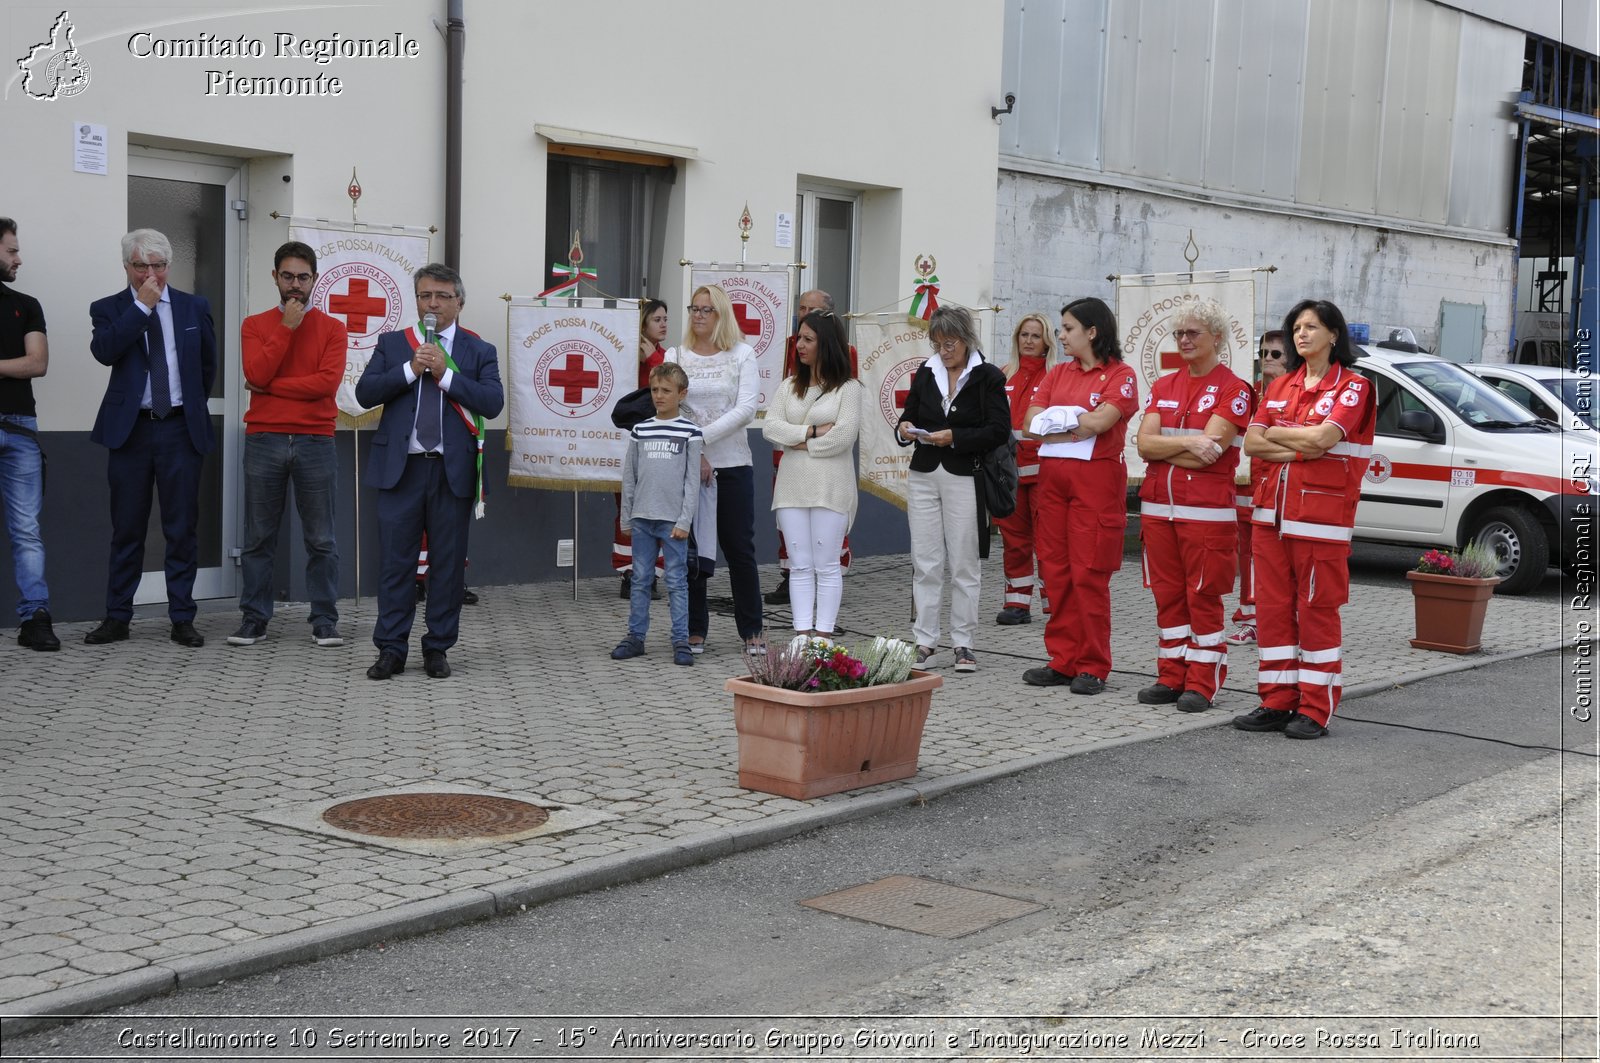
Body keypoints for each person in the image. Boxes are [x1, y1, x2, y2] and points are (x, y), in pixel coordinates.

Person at [355, 263, 503, 680]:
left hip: (451, 472)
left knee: (448, 565)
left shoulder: (478, 350)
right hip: (400, 471)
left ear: (459, 301)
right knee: (395, 564)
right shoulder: (393, 344)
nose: (432, 304)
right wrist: (411, 370)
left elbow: (492, 402)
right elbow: (365, 393)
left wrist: (444, 373)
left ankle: (437, 647)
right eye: (424, 296)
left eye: (441, 296)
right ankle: (391, 648)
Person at [1235, 299, 1374, 740]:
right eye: (1297, 327)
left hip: (1320, 518)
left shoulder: (1353, 386)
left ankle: (1315, 707)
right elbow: (1253, 445)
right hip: (1269, 515)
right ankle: (1277, 700)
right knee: (1273, 612)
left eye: (1312, 327)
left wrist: (1282, 436)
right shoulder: (1279, 386)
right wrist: (1300, 446)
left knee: (1316, 611)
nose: (1301, 334)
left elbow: (1324, 437)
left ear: (1334, 334)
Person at [86, 229, 217, 648]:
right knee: (127, 528)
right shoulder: (109, 308)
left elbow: (206, 366)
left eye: (158, 266)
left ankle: (182, 617)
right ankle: (117, 617)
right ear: (127, 266)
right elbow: (105, 350)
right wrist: (141, 307)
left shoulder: (194, 306)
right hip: (132, 431)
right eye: (141, 266)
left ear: (169, 265)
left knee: (181, 528)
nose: (151, 275)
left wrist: (188, 408)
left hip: (180, 428)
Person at [1133, 300, 1254, 712]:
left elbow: (1213, 453)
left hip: (1205, 513)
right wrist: (1186, 441)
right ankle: (1171, 675)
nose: (1183, 340)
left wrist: (1163, 450)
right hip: (1158, 510)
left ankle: (1203, 680)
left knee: (1202, 596)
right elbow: (1143, 445)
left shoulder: (1235, 388)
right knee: (1167, 596)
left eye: (1192, 333)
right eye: (1179, 333)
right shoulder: (1165, 385)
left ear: (1216, 338)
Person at [228, 241, 347, 648]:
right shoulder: (256, 325)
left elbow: (325, 386)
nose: (295, 285)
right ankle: (254, 619)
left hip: (316, 439)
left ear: (314, 279)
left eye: (303, 277)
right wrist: (286, 329)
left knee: (322, 538)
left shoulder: (333, 328)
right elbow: (255, 369)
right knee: (259, 535)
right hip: (265, 438)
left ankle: (325, 620)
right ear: (274, 277)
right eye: (287, 276)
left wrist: (269, 387)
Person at [1021, 297, 1139, 694]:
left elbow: (1101, 422)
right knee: (1054, 570)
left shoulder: (1120, 374)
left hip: (1096, 483)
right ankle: (1063, 659)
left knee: (1088, 573)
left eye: (1068, 328)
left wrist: (1060, 421)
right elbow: (1030, 424)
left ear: (1092, 331)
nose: (1061, 336)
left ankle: (1092, 664)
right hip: (1053, 483)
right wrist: (1075, 422)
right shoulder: (1057, 373)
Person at [896, 304, 1010, 673]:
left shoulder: (988, 376)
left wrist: (955, 437)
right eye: (938, 343)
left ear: (966, 340)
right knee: (925, 561)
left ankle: (963, 643)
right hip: (925, 472)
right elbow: (908, 414)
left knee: (964, 562)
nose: (944, 351)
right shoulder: (925, 372)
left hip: (965, 474)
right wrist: (904, 428)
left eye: (950, 344)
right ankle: (925, 640)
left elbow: (998, 430)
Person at [666, 284, 764, 656]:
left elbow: (745, 411)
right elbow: (671, 405)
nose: (698, 315)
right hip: (688, 468)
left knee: (739, 548)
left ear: (721, 315)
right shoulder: (676, 354)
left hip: (733, 465)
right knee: (691, 551)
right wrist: (695, 451)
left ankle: (752, 628)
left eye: (707, 310)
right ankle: (694, 628)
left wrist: (698, 439)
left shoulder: (742, 354)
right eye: (694, 308)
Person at [762, 309, 862, 638]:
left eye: (808, 339)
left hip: (829, 487)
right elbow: (770, 428)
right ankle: (802, 634)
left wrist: (798, 440)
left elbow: (844, 437)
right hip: (792, 486)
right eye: (799, 339)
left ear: (827, 343)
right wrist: (813, 432)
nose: (800, 346)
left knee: (827, 564)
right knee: (799, 564)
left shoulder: (848, 388)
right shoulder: (789, 386)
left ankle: (823, 635)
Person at [612, 362, 701, 666]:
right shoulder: (641, 429)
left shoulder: (690, 431)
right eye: (654, 390)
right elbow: (630, 476)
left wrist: (684, 520)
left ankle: (680, 640)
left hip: (673, 521)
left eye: (666, 390)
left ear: (682, 393)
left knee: (676, 580)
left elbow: (691, 481)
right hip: (642, 519)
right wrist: (627, 517)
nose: (659, 396)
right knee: (640, 579)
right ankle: (636, 636)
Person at [0, 218, 57, 651]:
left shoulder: (26, 304)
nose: (19, 259)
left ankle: (35, 618)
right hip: (19, 427)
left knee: (26, 530)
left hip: (19, 428)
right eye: (11, 251)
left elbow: (36, 363)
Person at [1225, 328, 1299, 645]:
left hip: (1280, 487)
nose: (1267, 359)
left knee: (1280, 560)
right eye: (1263, 353)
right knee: (1248, 556)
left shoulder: (1296, 394)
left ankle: (1281, 618)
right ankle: (1250, 617)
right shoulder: (1249, 392)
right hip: (1245, 485)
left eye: (1275, 354)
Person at [992, 312, 1059, 625]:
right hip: (1010, 473)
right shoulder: (1004, 375)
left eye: (1035, 335)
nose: (1029, 341)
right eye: (1024, 335)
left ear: (1046, 341)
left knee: (1049, 539)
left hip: (1044, 471)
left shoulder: (1057, 375)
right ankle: (1017, 603)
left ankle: (1055, 601)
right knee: (1014, 540)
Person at [614, 298, 669, 600]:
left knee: (655, 510)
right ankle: (629, 573)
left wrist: (652, 362)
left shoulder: (665, 358)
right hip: (623, 444)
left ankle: (651, 574)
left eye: (665, 319)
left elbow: (669, 392)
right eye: (657, 319)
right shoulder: (624, 355)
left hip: (657, 446)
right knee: (626, 510)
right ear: (642, 323)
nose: (663, 324)